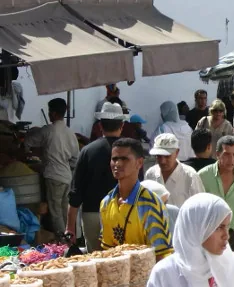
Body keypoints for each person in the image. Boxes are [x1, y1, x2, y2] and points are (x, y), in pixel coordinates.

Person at [100, 138, 173, 260]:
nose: (117, 163)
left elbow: (161, 255)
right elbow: (107, 252)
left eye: (124, 159)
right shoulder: (106, 203)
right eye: (114, 159)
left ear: (139, 163)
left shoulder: (151, 205)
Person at [67, 105, 126, 252]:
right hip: (124, 213)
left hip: (92, 214)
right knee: (121, 261)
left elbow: (75, 192)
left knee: (95, 261)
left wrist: (70, 227)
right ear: (122, 125)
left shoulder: (87, 151)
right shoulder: (130, 151)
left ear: (100, 125)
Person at [25, 98, 79, 235]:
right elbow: (75, 158)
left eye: (50, 112)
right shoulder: (70, 133)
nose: (49, 114)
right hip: (67, 176)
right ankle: (70, 237)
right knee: (64, 211)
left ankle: (63, 241)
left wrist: (27, 152)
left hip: (53, 176)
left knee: (55, 213)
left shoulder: (48, 130)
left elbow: (28, 142)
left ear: (54, 114)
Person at [145, 133, 205, 207]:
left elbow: (200, 205)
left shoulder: (190, 176)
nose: (162, 161)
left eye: (167, 156)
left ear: (177, 152)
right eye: (159, 156)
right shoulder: (150, 174)